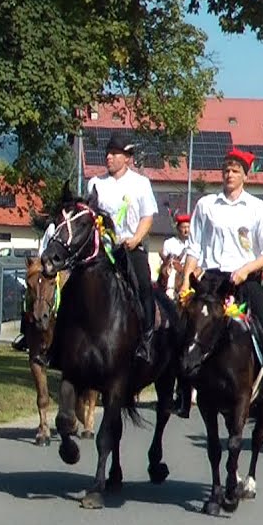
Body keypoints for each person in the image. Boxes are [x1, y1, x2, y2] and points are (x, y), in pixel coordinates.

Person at [181, 147, 263, 414]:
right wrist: (187, 279)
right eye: (226, 169)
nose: (229, 174)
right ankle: (183, 389)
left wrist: (246, 269)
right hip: (212, 280)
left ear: (246, 175)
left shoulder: (257, 208)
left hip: (245, 280)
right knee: (186, 327)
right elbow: (194, 246)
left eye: (235, 170)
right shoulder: (206, 205)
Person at [87, 131, 158, 363]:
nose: (108, 157)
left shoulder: (141, 183)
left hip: (129, 247)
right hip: (102, 249)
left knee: (143, 286)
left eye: (115, 153)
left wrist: (136, 238)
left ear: (127, 158)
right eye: (107, 153)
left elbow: (147, 216)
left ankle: (147, 339)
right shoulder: (96, 183)